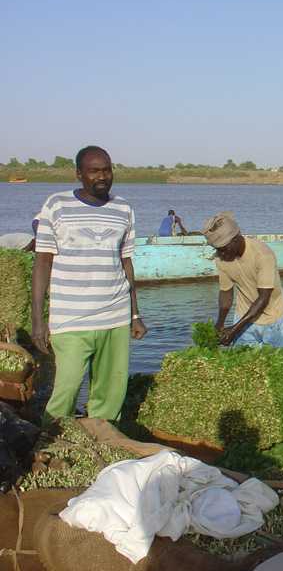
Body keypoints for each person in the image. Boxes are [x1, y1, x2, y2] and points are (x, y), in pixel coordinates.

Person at [31, 145, 147, 425]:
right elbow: (42, 263)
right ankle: (51, 439)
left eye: (107, 170)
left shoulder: (123, 209)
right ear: (79, 174)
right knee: (66, 388)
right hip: (71, 319)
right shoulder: (56, 205)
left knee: (110, 393)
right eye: (94, 171)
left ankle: (103, 440)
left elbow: (126, 263)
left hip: (115, 315)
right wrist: (38, 321)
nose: (102, 176)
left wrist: (135, 314)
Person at [202, 212, 283, 349]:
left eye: (223, 249)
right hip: (243, 316)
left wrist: (234, 330)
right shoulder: (221, 258)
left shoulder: (262, 254)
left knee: (279, 361)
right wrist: (220, 323)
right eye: (218, 249)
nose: (221, 254)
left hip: (274, 319)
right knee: (242, 360)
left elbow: (264, 298)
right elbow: (226, 293)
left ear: (236, 239)